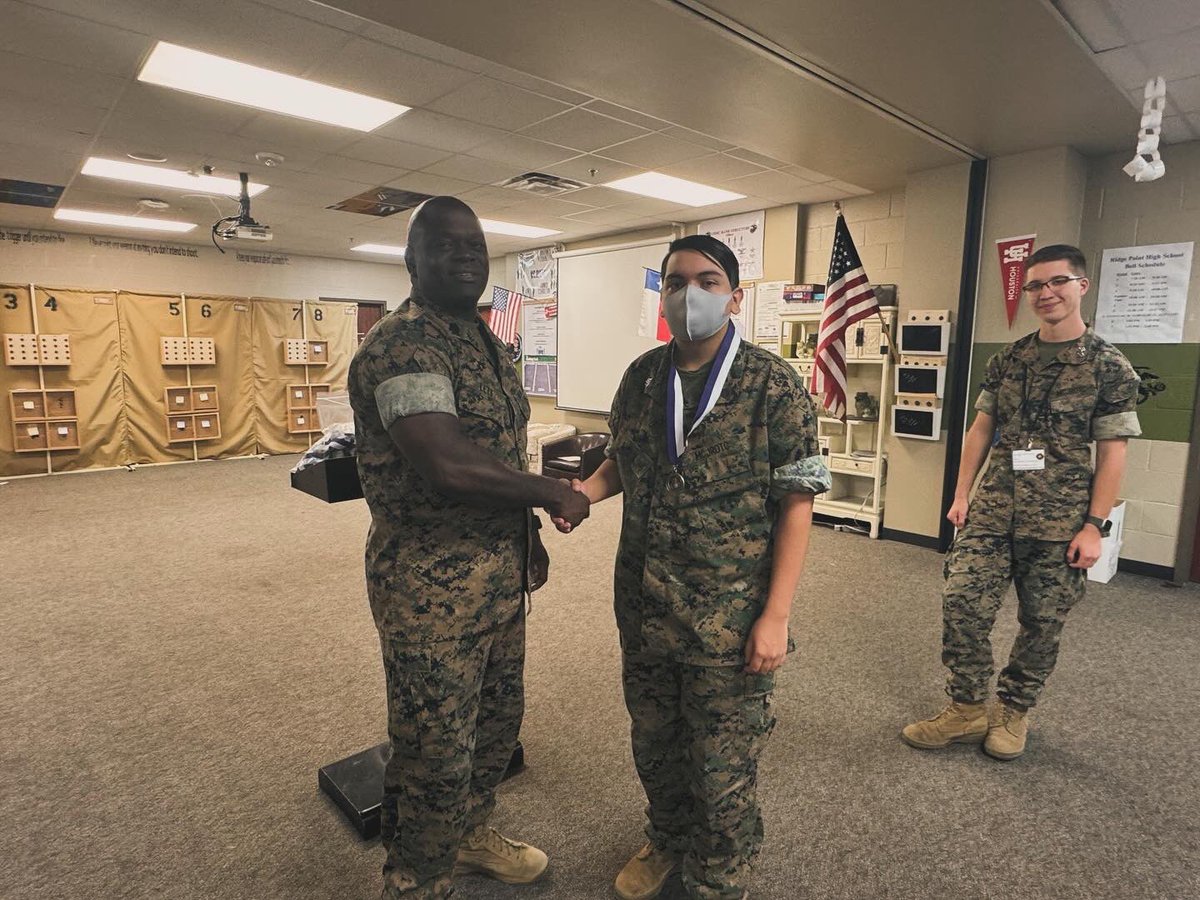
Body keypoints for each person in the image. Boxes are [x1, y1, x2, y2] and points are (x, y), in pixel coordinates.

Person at [557, 234, 830, 899]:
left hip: (730, 617)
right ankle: (667, 836)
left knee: (722, 763)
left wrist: (776, 614)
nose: (690, 296)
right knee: (654, 743)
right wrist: (583, 495)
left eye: (707, 282)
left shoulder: (772, 384)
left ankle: (720, 873)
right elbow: (624, 460)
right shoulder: (642, 377)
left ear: (734, 297)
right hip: (647, 606)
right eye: (676, 283)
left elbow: (798, 503)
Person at [347, 196, 590, 899]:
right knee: (433, 746)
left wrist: (528, 535)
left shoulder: (480, 340)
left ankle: (471, 835)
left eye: (475, 246)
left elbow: (497, 453)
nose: (465, 257)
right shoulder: (404, 344)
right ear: (411, 260)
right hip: (430, 590)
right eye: (446, 245)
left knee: (493, 723)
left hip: (496, 576)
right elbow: (448, 463)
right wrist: (550, 494)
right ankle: (416, 876)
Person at [902, 243, 1141, 761]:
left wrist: (1094, 526)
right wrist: (961, 493)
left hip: (1060, 520)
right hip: (993, 508)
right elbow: (982, 427)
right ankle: (967, 708)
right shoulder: (1010, 359)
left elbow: (1113, 453)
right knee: (962, 603)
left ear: (1082, 286)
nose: (1046, 293)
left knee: (1043, 621)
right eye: (1035, 285)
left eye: (1057, 281)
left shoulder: (1110, 367)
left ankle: (1014, 709)